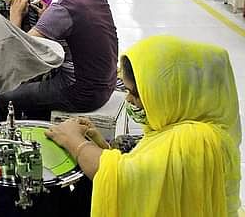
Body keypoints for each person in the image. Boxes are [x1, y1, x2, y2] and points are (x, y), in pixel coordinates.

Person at [46, 35, 241, 217]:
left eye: (136, 94)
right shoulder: (180, 125)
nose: (129, 99)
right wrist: (98, 142)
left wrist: (73, 140)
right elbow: (147, 169)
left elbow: (125, 178)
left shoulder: (197, 140)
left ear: (170, 92)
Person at [0, 0, 118, 119]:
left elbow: (19, 50)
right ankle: (37, 118)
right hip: (107, 84)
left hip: (81, 92)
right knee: (34, 91)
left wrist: (15, 16)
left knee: (4, 97)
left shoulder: (62, 9)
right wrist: (47, 17)